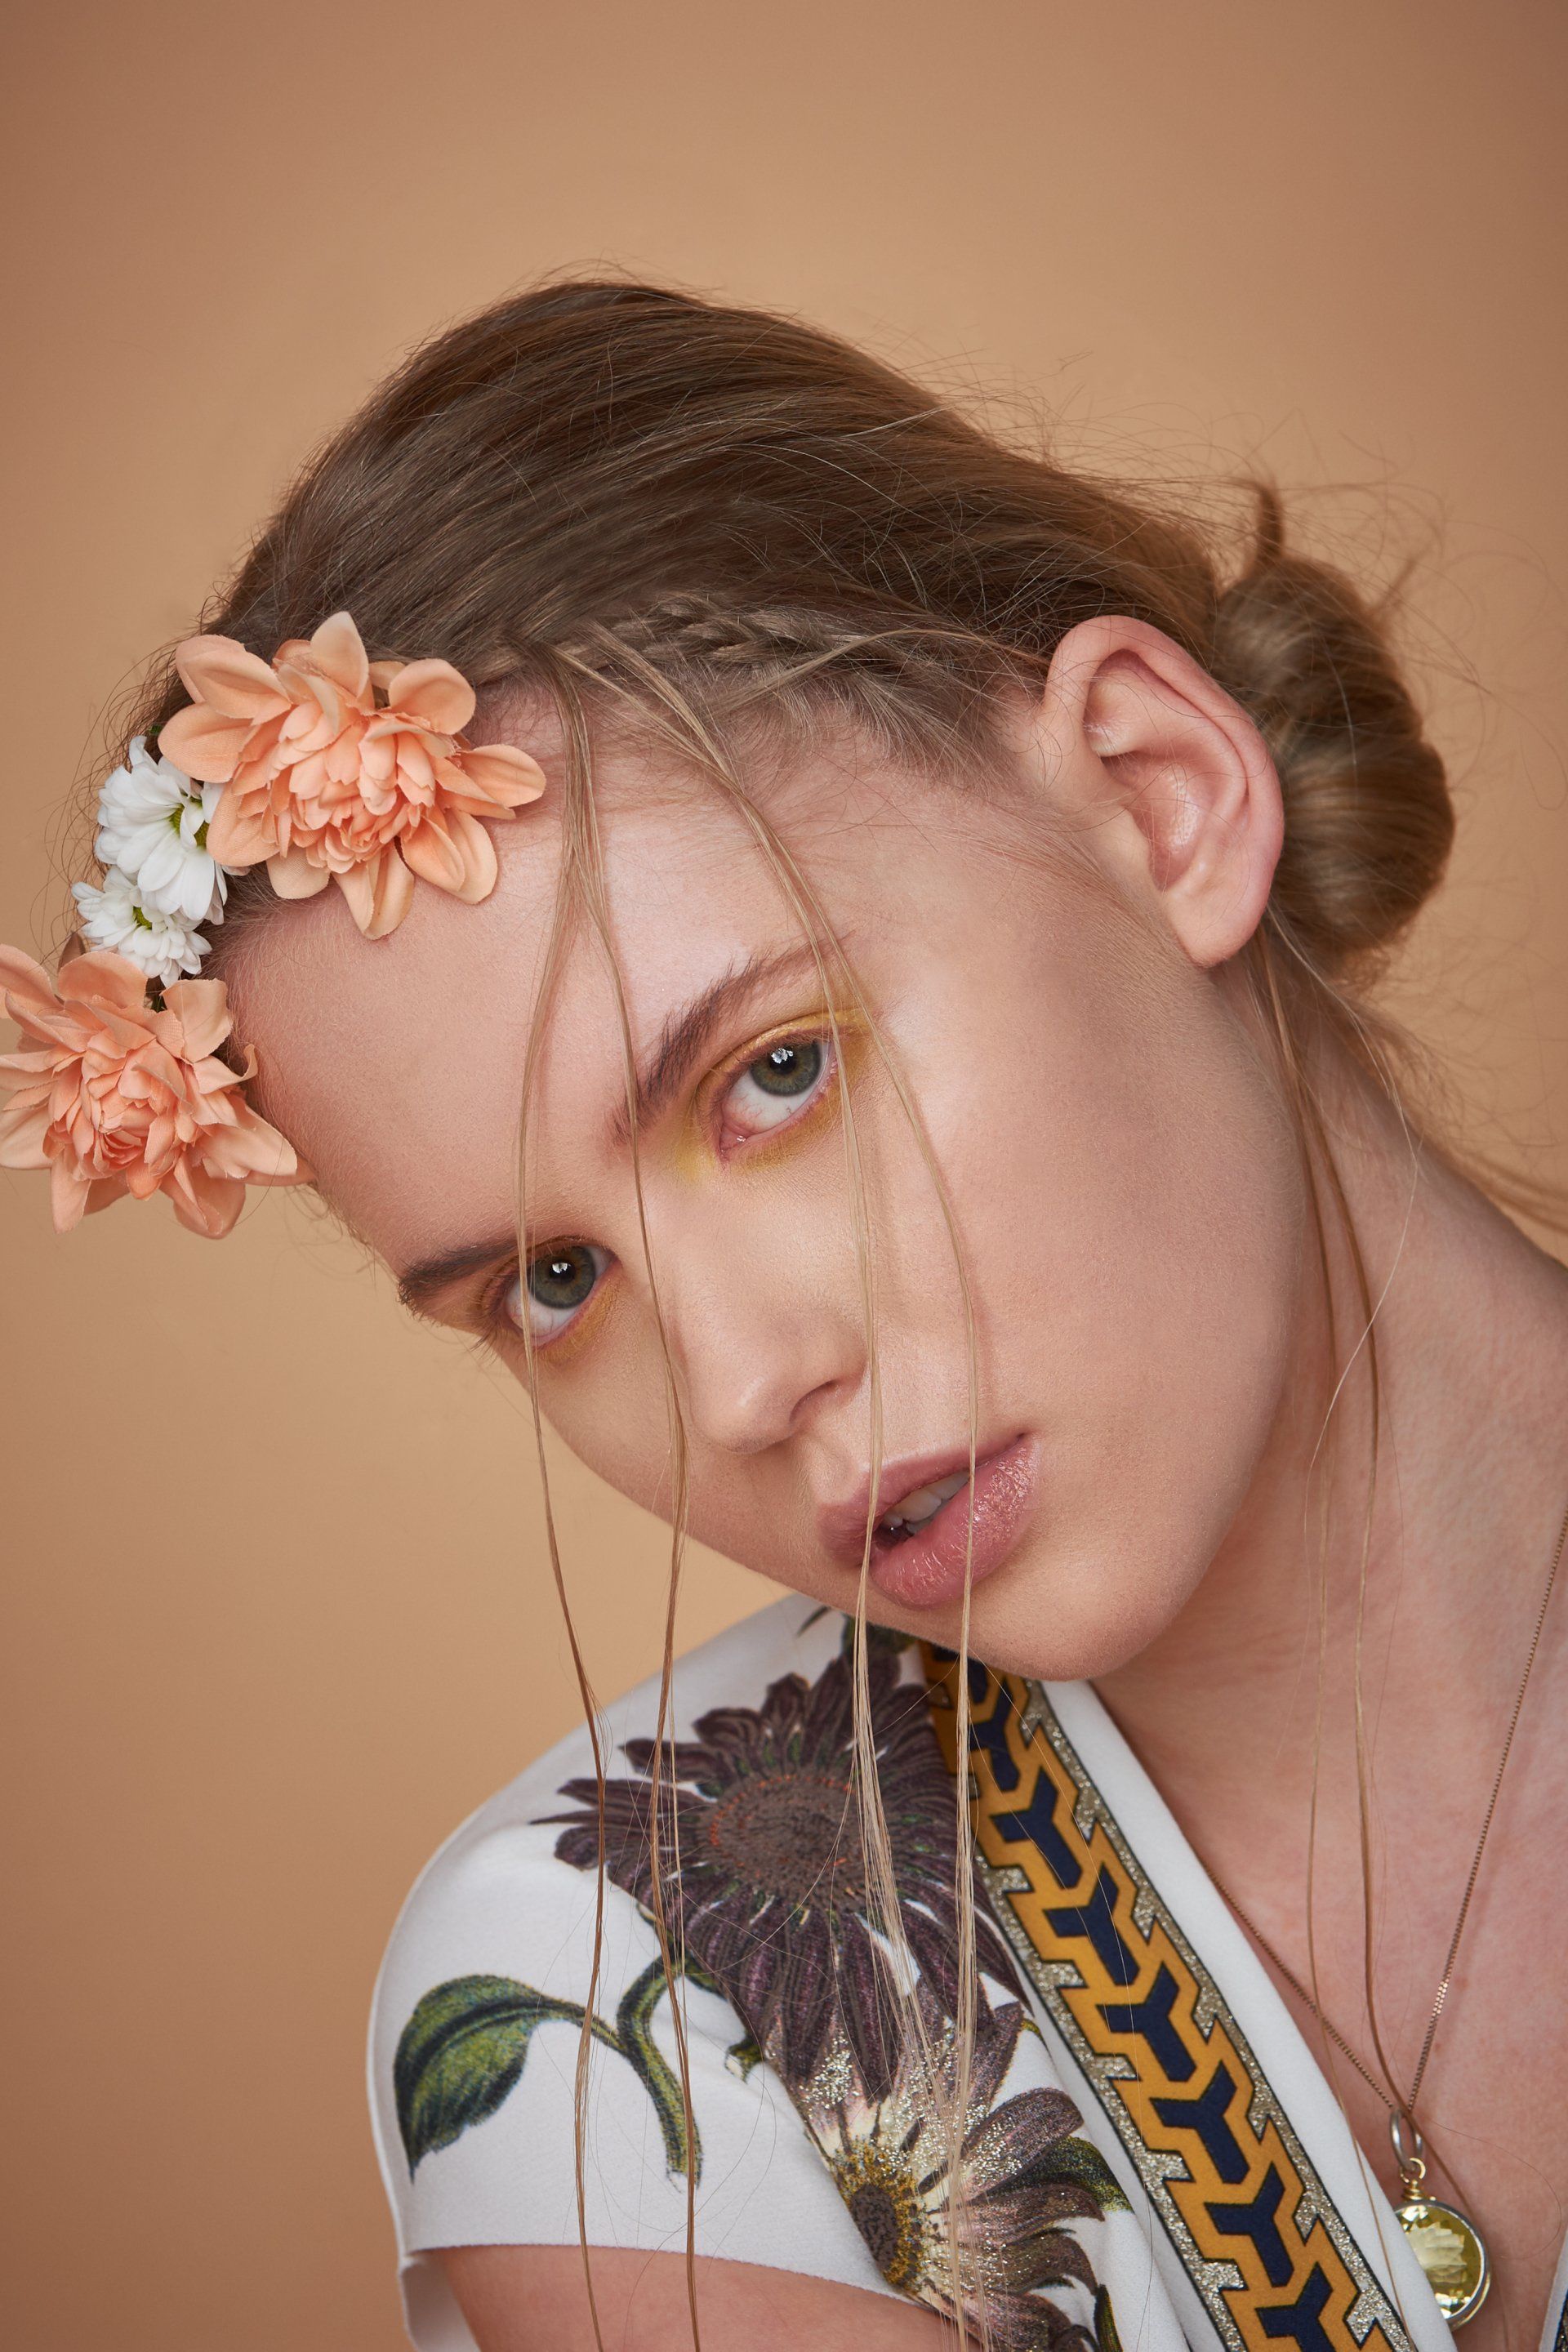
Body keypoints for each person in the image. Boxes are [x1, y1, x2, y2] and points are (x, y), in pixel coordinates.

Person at [3, 280, 1565, 2352]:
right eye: (553, 1285)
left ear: (1159, 792)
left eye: (776, 1074)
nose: (744, 1384)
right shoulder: (624, 2012)